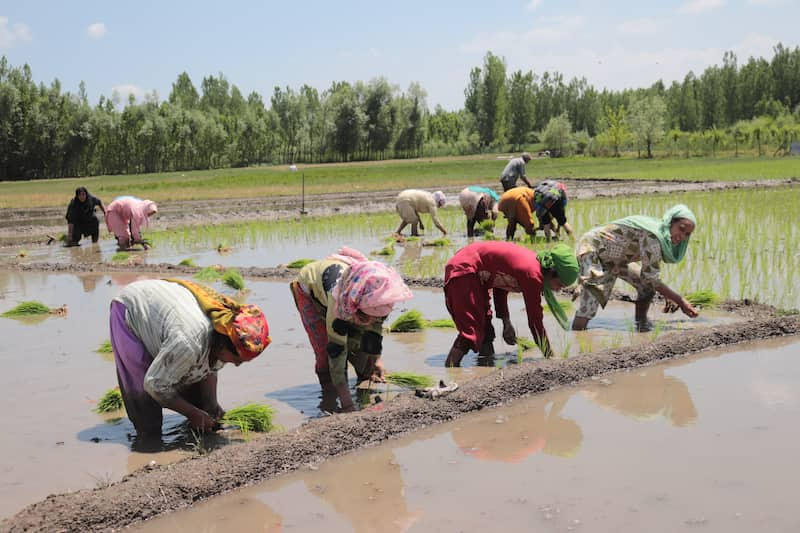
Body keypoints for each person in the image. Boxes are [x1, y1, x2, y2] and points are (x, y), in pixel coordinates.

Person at [109, 279, 271, 439]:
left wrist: (211, 406)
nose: (236, 365)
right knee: (145, 406)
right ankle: (148, 442)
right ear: (223, 344)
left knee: (201, 403)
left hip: (168, 313)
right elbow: (154, 385)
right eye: (238, 360)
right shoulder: (189, 341)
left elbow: (211, 368)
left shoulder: (223, 327)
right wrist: (192, 413)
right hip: (130, 307)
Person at [290, 247, 412, 412]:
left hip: (347, 286)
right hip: (309, 290)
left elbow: (375, 329)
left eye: (378, 318)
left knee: (361, 347)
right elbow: (336, 351)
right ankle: (328, 395)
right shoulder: (340, 306)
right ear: (356, 309)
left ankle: (362, 381)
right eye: (368, 318)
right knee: (325, 351)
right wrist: (347, 404)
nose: (374, 322)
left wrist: (376, 359)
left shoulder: (378, 295)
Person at [443, 241, 579, 366]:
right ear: (552, 272)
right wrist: (550, 357)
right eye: (560, 284)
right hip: (465, 270)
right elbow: (535, 321)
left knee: (485, 330)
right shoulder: (532, 275)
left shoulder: (533, 265)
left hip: (475, 272)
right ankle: (451, 371)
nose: (559, 289)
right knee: (471, 331)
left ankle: (484, 368)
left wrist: (506, 322)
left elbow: (500, 284)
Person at [571, 204, 699, 332]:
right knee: (592, 298)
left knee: (646, 287)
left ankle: (641, 324)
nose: (682, 236)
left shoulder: (660, 237)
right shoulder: (653, 236)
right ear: (670, 223)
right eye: (680, 229)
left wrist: (668, 294)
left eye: (687, 234)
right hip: (594, 250)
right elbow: (651, 277)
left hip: (617, 258)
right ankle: (578, 332)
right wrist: (680, 301)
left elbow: (649, 279)